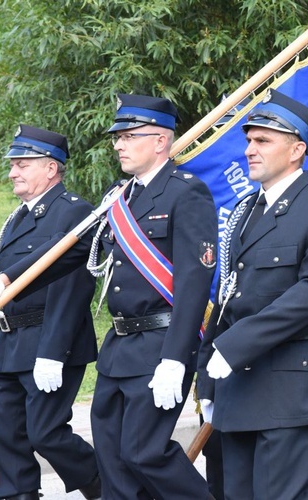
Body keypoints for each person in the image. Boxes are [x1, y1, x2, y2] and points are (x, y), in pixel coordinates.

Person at [197, 89, 308, 499]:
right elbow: (229, 296)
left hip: (289, 387)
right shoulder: (247, 210)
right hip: (238, 388)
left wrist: (235, 345)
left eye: (263, 140)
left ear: (297, 149)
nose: (250, 149)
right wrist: (207, 378)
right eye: (249, 140)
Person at [85, 93, 217, 498]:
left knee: (144, 453)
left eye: (129, 136)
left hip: (160, 345)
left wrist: (175, 359)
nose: (119, 144)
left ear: (160, 140)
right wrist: (4, 280)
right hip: (119, 347)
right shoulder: (120, 196)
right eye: (117, 137)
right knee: (112, 460)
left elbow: (194, 282)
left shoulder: (186, 193)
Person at [0, 125, 101, 500]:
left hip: (50, 342)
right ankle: (16, 496)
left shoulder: (74, 213)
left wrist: (52, 352)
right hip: (10, 344)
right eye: (13, 165)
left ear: (51, 168)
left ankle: (105, 486)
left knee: (46, 433)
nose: (13, 173)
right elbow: (1, 291)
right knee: (6, 436)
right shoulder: (18, 219)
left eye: (22, 164)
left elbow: (71, 288)